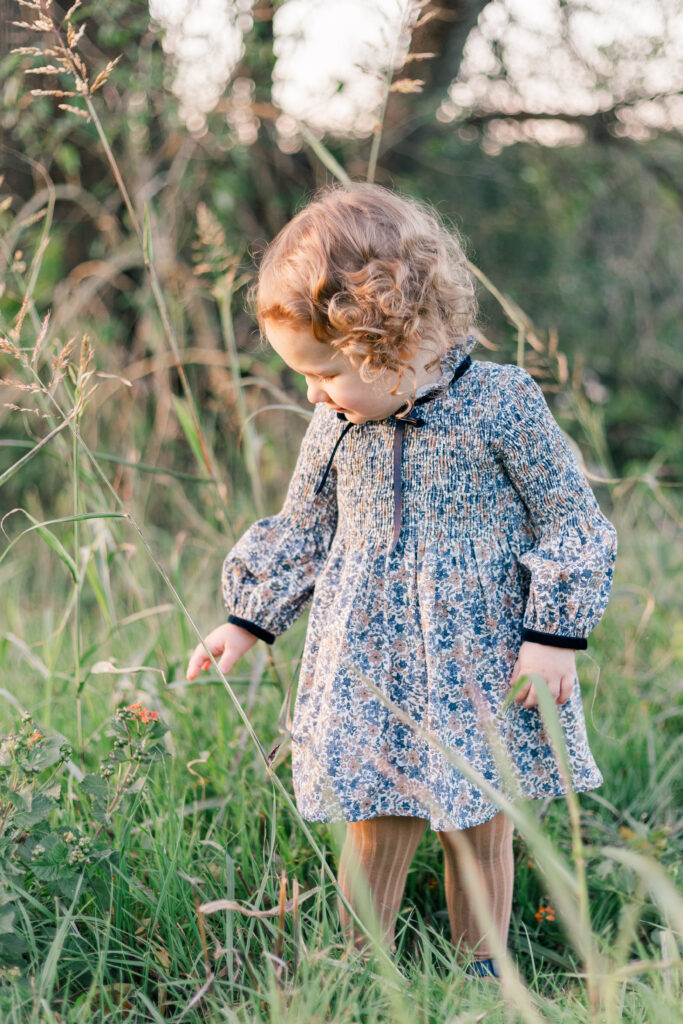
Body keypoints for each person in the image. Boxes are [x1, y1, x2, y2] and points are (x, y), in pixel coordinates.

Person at [186, 181, 618, 979]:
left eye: (322, 372)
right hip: (368, 662)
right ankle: (361, 968)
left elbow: (572, 521)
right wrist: (245, 620)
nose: (309, 394)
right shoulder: (335, 426)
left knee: (478, 823)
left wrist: (554, 636)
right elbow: (305, 529)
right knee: (376, 821)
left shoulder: (503, 405)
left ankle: (482, 969)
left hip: (479, 659)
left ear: (390, 342)